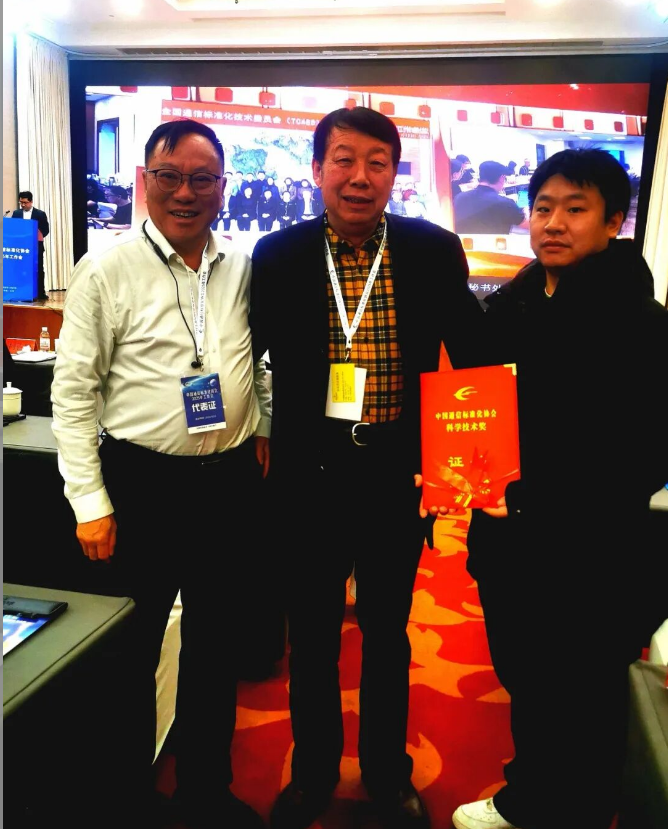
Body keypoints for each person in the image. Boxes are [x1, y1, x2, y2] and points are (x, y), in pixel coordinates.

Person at [251, 106, 484, 829]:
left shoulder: (432, 249)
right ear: (317, 169)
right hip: (309, 476)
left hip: (393, 473)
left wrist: (467, 462)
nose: (359, 177)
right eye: (344, 160)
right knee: (313, 634)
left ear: (393, 173)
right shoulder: (278, 254)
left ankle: (388, 775)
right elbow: (245, 356)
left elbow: (474, 360)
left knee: (387, 633)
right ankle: (313, 773)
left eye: (376, 162)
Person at [51, 119, 271, 829]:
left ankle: (206, 792)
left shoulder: (241, 266)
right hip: (140, 485)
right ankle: (124, 798)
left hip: (229, 487)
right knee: (131, 651)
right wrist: (90, 501)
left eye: (202, 179)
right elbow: (73, 392)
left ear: (223, 188)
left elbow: (258, 360)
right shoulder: (106, 268)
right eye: (170, 176)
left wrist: (264, 425)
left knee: (215, 648)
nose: (185, 192)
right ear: (144, 181)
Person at [451, 149, 668, 829]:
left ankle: (574, 807)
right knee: (528, 677)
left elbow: (647, 456)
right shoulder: (511, 308)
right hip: (508, 541)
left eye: (576, 209)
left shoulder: (643, 323)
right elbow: (475, 414)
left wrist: (535, 497)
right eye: (543, 207)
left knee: (585, 690)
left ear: (614, 221)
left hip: (591, 551)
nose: (553, 223)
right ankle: (532, 794)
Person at [454, 160, 529, 235]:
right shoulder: (506, 203)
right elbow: (527, 225)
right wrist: (526, 211)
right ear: (502, 178)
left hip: (462, 241)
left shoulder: (459, 198)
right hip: (495, 242)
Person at [12, 190, 50, 299]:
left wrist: (35, 236)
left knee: (38, 269)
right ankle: (21, 292)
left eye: (25, 202)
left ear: (31, 201)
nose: (23, 205)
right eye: (21, 202)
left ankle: (40, 293)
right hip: (21, 247)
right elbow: (13, 229)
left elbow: (46, 230)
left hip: (36, 247)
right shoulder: (16, 213)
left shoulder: (40, 214)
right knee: (21, 269)